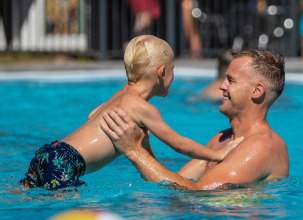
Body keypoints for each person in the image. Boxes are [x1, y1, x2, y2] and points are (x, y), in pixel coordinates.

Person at [20, 35, 238, 190]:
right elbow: (179, 143)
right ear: (162, 72)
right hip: (67, 163)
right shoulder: (142, 107)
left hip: (51, 152)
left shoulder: (121, 95)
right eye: (173, 69)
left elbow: (92, 115)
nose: (173, 75)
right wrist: (218, 154)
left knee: (25, 196)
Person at [100, 48, 289, 190]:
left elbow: (199, 192)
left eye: (230, 81)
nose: (221, 86)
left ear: (257, 91)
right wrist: (142, 145)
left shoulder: (262, 146)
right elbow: (174, 181)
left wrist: (134, 152)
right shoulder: (222, 139)